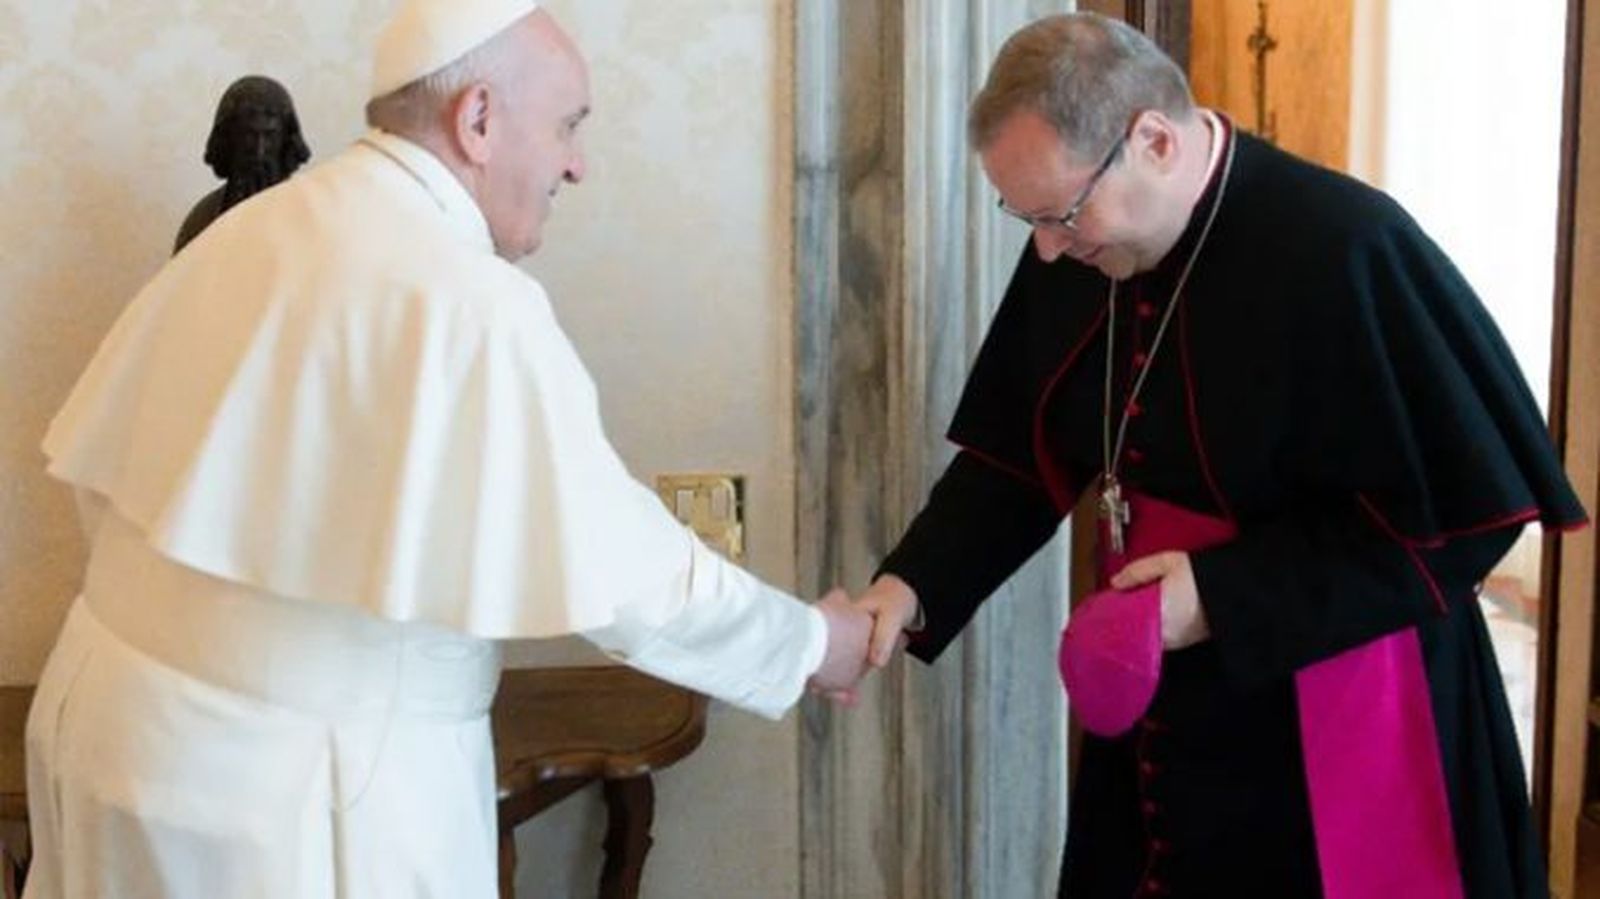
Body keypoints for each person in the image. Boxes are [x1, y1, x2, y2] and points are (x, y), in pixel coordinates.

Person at [24, 2, 869, 896]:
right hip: (289, 802)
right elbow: (627, 577)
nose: (577, 163)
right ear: (477, 120)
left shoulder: (256, 226)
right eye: (568, 126)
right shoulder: (467, 299)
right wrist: (813, 643)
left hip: (111, 731)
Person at [853, 12, 1586, 898]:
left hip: (1333, 700)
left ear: (1153, 140)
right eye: (1026, 217)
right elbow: (1019, 454)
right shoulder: (1085, 244)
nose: (1047, 249)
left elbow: (1458, 524)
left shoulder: (1346, 246)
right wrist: (907, 588)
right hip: (1162, 695)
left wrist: (1220, 596)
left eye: (1061, 214)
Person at [173, 75, 312, 253]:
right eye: (248, 136)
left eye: (269, 137)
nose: (259, 152)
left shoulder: (311, 216)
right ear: (229, 140)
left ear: (285, 140)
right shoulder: (202, 219)